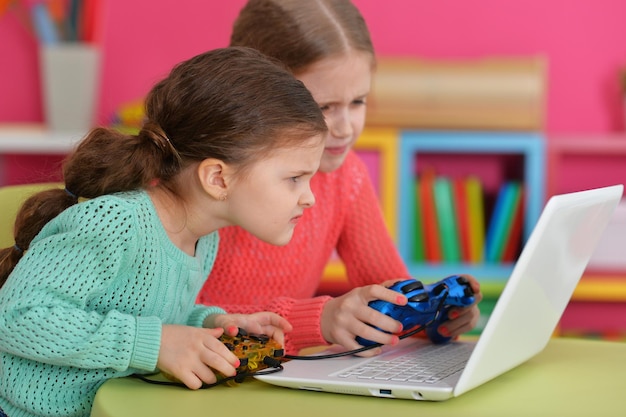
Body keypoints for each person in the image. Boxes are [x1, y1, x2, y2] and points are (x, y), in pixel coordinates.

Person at [0, 46, 328, 417]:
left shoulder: (204, 238)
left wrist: (209, 324)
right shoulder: (115, 223)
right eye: (295, 178)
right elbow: (16, 315)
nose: (309, 198)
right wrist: (155, 344)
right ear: (217, 177)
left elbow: (144, 311)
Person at [197, 0, 483, 356]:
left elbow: (390, 297)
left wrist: (433, 315)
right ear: (256, 93)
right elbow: (178, 320)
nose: (346, 128)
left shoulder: (346, 177)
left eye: (358, 101)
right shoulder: (212, 178)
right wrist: (318, 319)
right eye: (323, 107)